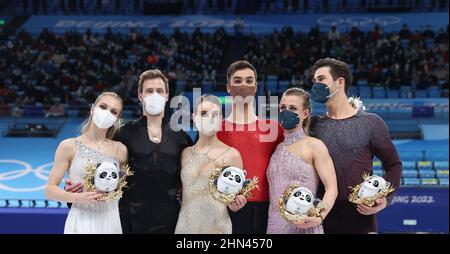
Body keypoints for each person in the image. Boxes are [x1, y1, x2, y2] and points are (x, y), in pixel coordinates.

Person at [309, 58, 402, 233]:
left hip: (361, 215)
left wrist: (386, 197)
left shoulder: (371, 123)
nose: (315, 84)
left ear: (340, 82)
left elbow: (394, 165)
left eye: (321, 79)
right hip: (321, 216)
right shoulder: (313, 125)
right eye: (314, 81)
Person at [114, 69, 193, 233]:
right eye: (149, 91)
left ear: (167, 95)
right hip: (130, 219)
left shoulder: (182, 138)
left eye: (159, 91)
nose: (155, 95)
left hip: (170, 220)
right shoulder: (123, 133)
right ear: (140, 95)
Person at [45, 92, 128, 234]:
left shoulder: (121, 150)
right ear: (92, 109)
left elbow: (123, 188)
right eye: (103, 107)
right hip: (81, 219)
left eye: (113, 112)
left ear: (117, 119)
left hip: (111, 220)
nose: (107, 113)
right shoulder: (69, 146)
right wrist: (75, 197)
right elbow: (50, 190)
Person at [217, 60, 284, 234]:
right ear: (228, 87)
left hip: (268, 211)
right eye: (237, 80)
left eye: (249, 80)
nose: (243, 85)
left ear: (255, 87)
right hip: (227, 211)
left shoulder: (274, 128)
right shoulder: (216, 129)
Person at [267, 87, 338, 234]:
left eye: (293, 108)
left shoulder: (314, 145)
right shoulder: (277, 148)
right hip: (274, 226)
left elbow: (332, 188)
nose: (286, 112)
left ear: (305, 113)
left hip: (304, 226)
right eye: (282, 107)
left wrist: (319, 216)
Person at [175, 95, 247, 234]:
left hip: (217, 228)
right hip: (184, 227)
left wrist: (236, 204)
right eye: (203, 113)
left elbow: (234, 199)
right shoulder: (185, 153)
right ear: (194, 117)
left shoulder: (232, 155)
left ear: (221, 120)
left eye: (215, 114)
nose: (209, 118)